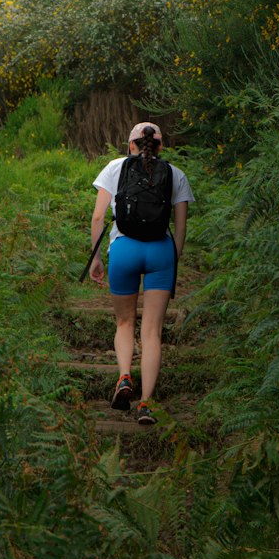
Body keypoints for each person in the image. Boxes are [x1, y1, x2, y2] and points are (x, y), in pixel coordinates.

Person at [88, 122, 194, 425]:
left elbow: (98, 216)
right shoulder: (175, 174)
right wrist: (172, 258)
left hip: (124, 250)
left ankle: (124, 377)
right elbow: (181, 228)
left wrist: (97, 257)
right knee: (151, 333)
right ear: (160, 146)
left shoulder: (114, 167)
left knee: (124, 322)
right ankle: (145, 404)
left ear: (130, 144)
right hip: (160, 251)